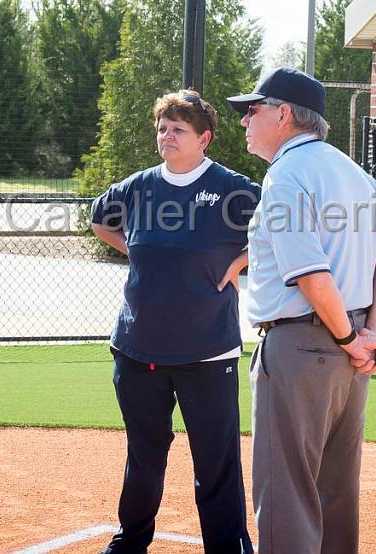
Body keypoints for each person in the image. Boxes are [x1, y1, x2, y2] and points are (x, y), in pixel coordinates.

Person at [227, 67, 376, 554]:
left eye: (252, 110)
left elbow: (310, 274)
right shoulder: (355, 174)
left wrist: (351, 337)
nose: (245, 121)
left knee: (287, 496)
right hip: (351, 358)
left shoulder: (286, 174)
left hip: (302, 347)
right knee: (335, 493)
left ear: (283, 114)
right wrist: (369, 336)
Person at [90, 90, 258, 554]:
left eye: (178, 128)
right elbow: (99, 220)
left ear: (203, 138)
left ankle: (228, 547)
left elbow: (279, 231)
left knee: (216, 461)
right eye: (162, 127)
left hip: (207, 352)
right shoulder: (139, 186)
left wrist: (239, 261)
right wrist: (138, 253)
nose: (167, 135)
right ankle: (130, 542)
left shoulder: (232, 188)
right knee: (144, 456)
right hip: (137, 346)